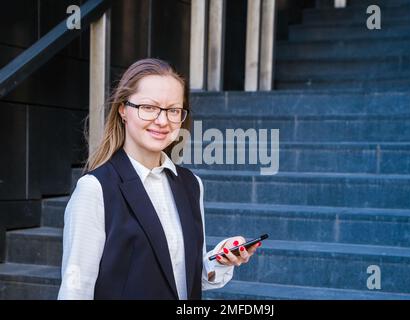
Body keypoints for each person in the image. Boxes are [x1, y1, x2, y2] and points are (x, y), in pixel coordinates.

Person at [57, 58, 260, 300]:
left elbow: (181, 278)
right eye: (149, 107)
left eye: (173, 110)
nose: (163, 121)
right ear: (123, 110)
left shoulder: (191, 184)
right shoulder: (95, 188)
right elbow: (76, 290)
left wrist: (221, 259)